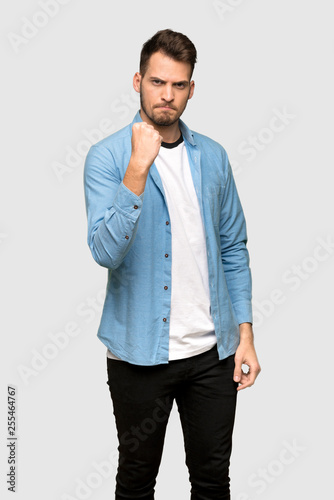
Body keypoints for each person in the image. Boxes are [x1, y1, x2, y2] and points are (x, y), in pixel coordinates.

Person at [84, 28, 261, 500]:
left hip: (212, 354)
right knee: (137, 482)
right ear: (137, 80)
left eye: (178, 85)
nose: (167, 95)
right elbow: (105, 251)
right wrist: (138, 169)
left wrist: (244, 335)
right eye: (158, 82)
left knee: (211, 482)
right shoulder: (107, 157)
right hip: (138, 355)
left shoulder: (214, 157)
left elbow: (233, 247)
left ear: (191, 89)